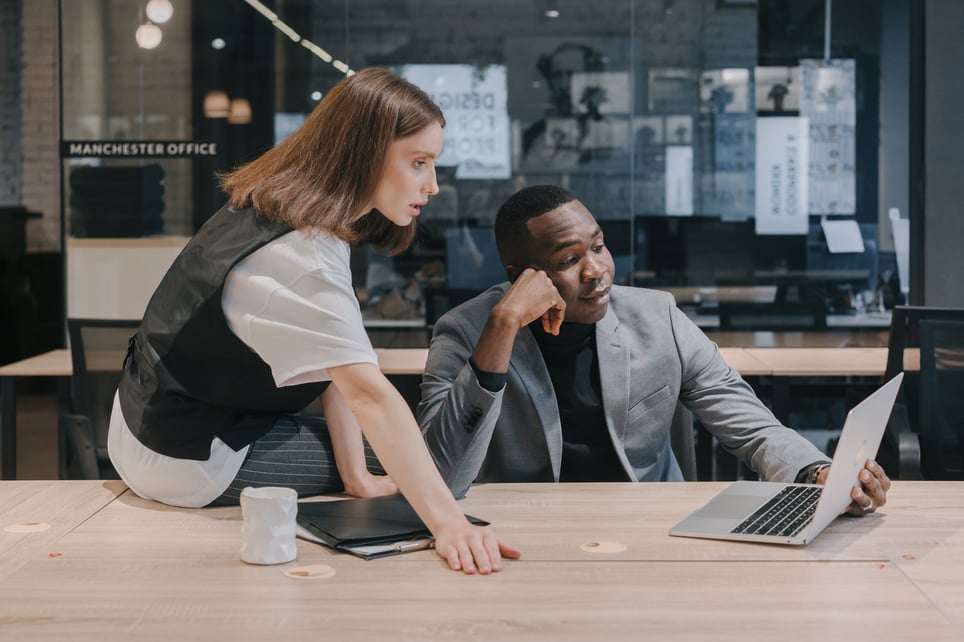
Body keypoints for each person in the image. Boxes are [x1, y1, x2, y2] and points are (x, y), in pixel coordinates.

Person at [107, 67, 519, 574]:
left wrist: (358, 477)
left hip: (143, 423)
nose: (432, 185)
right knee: (441, 470)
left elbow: (333, 367)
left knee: (398, 463)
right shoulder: (303, 257)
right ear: (365, 153)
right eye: (419, 163)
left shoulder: (272, 206)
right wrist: (449, 524)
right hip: (184, 457)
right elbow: (366, 394)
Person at [418, 184, 890, 517]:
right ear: (520, 272)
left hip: (653, 525)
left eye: (599, 247)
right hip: (526, 530)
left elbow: (753, 427)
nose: (597, 270)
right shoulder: (464, 331)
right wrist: (501, 327)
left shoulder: (657, 316)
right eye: (569, 260)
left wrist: (818, 473)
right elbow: (443, 476)